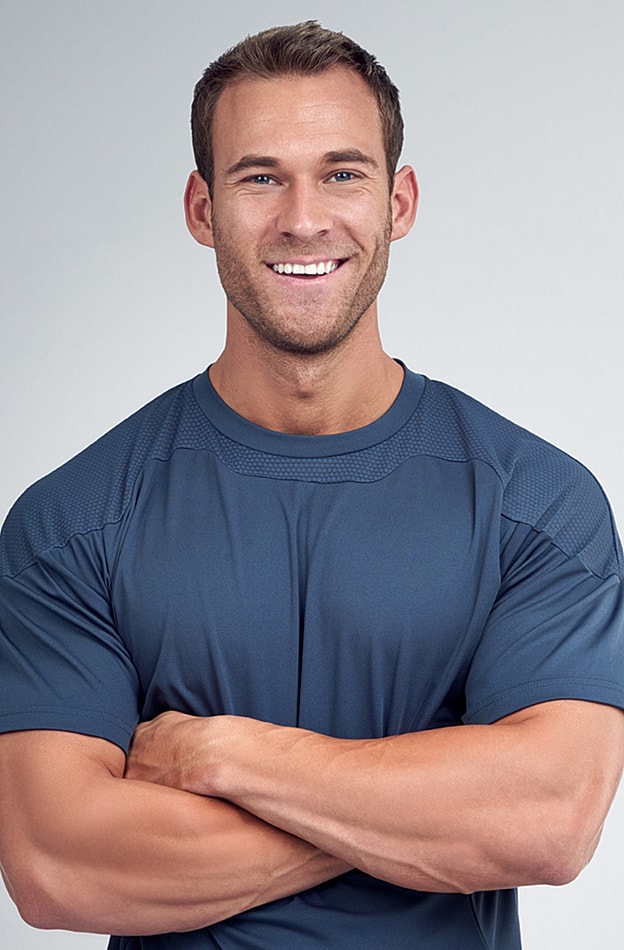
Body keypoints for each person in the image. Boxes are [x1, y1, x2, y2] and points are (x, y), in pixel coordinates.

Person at [1, 19, 623, 950]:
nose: (303, 217)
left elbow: (547, 820)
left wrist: (223, 755)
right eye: (261, 177)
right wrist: (428, 809)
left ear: (398, 201)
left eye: (342, 173)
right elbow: (58, 867)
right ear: (202, 209)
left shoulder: (534, 507)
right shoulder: (72, 525)